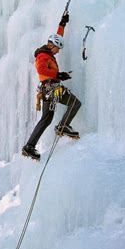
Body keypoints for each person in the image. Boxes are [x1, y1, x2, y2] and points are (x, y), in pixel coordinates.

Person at [22, 11, 81, 161]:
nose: (58, 51)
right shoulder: (43, 55)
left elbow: (57, 37)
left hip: (47, 89)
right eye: (57, 48)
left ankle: (29, 146)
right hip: (52, 88)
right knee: (74, 103)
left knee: (46, 119)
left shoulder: (47, 52)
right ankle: (63, 126)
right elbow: (41, 69)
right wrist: (59, 75)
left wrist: (62, 24)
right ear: (52, 46)